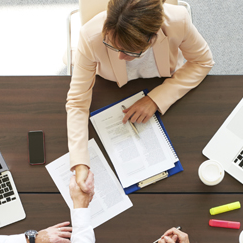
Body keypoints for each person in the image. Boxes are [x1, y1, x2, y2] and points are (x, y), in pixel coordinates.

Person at [67, 0, 214, 193]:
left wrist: (155, 99)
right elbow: (77, 102)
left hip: (163, 80)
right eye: (111, 45)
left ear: (152, 38)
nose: (120, 57)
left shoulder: (178, 21)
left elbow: (202, 62)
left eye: (128, 51)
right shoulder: (91, 35)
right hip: (111, 86)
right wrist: (80, 163)